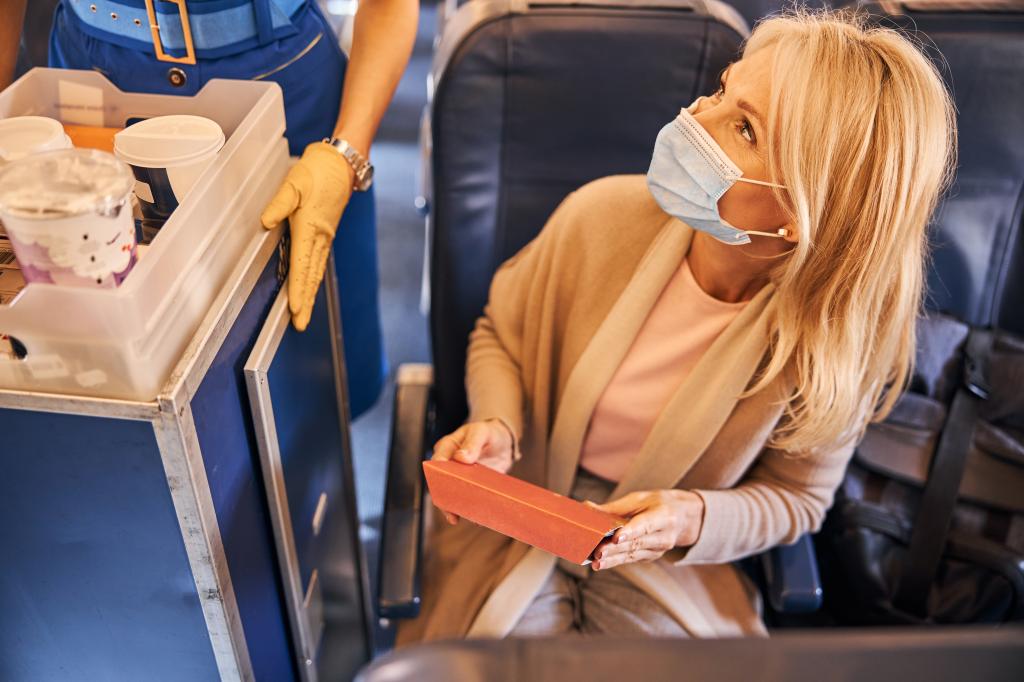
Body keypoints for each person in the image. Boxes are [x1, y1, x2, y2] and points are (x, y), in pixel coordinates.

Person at [398, 8, 956, 642]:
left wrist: (693, 517)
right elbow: (500, 334)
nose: (697, 118)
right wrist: (497, 420)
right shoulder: (598, 216)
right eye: (723, 91)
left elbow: (796, 501)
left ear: (804, 212)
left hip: (671, 563)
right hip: (523, 510)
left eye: (744, 128)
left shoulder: (836, 341)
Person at [0, 0, 417, 419]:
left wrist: (345, 155)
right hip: (90, 87)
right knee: (91, 379)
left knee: (318, 386)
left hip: (284, 87)